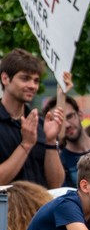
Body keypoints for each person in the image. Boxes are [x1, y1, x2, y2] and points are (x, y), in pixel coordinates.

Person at [0, 49, 65, 188]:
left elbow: (56, 184)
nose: (32, 86)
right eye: (25, 78)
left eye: (36, 81)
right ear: (5, 78)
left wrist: (51, 141)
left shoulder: (41, 124)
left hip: (41, 207)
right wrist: (26, 145)